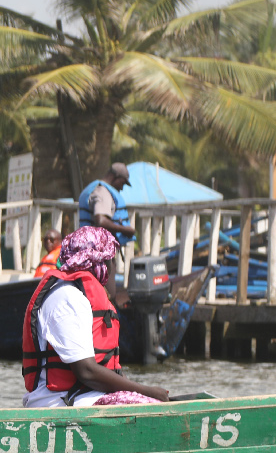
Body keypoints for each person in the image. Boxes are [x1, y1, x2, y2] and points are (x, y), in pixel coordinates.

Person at [21, 226, 168, 408]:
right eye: (112, 262)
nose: (114, 269)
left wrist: (141, 391)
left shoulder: (81, 295)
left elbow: (107, 372)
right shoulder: (67, 297)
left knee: (157, 402)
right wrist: (144, 391)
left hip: (85, 396)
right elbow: (87, 371)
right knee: (150, 405)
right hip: (59, 401)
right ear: (100, 264)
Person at [78, 163, 135, 245]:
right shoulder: (103, 191)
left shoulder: (93, 188)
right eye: (122, 183)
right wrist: (125, 230)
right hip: (97, 248)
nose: (122, 188)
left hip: (87, 245)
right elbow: (101, 221)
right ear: (115, 177)